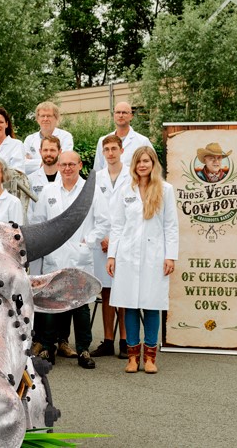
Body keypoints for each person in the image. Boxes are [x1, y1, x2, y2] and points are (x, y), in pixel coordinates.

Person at [30, 151, 109, 369]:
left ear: (79, 165)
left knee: (81, 306)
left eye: (71, 164)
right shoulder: (49, 191)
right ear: (58, 166)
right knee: (50, 304)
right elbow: (39, 221)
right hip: (54, 256)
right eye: (63, 164)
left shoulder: (90, 191)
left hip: (80, 257)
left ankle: (83, 349)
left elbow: (103, 222)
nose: (67, 168)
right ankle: (48, 348)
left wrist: (87, 242)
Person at [107, 146, 179, 374]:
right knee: (129, 305)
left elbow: (171, 226)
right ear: (134, 165)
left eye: (146, 161)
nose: (142, 165)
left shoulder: (165, 190)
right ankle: (132, 357)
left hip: (154, 256)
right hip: (127, 255)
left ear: (153, 163)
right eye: (139, 161)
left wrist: (170, 256)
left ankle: (149, 358)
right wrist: (112, 256)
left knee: (152, 305)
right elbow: (117, 226)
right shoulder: (125, 190)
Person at [89, 135, 131, 360]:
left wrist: (116, 240)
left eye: (114, 148)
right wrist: (103, 238)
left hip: (123, 242)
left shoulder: (131, 176)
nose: (110, 153)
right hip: (102, 244)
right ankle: (108, 340)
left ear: (122, 150)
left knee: (121, 292)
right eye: (106, 149)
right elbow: (93, 212)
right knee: (106, 292)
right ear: (103, 152)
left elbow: (132, 212)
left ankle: (125, 340)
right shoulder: (96, 177)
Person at [26, 135, 61, 275]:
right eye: (45, 150)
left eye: (52, 150)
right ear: (40, 152)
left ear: (60, 151)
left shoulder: (65, 179)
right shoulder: (30, 179)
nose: (48, 154)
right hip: (37, 236)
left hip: (58, 236)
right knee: (36, 278)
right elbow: (27, 209)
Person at [92, 101, 152, 172]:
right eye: (118, 112)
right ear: (114, 115)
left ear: (131, 116)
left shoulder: (142, 141)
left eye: (124, 112)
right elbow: (98, 169)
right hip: (107, 182)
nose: (120, 115)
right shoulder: (102, 141)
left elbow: (153, 167)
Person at [23, 101, 74, 175]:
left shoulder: (65, 137)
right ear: (37, 119)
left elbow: (63, 162)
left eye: (49, 116)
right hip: (34, 182)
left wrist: (33, 163)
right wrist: (48, 162)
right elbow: (23, 165)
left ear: (56, 118)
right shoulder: (29, 139)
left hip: (58, 180)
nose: (45, 119)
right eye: (42, 116)